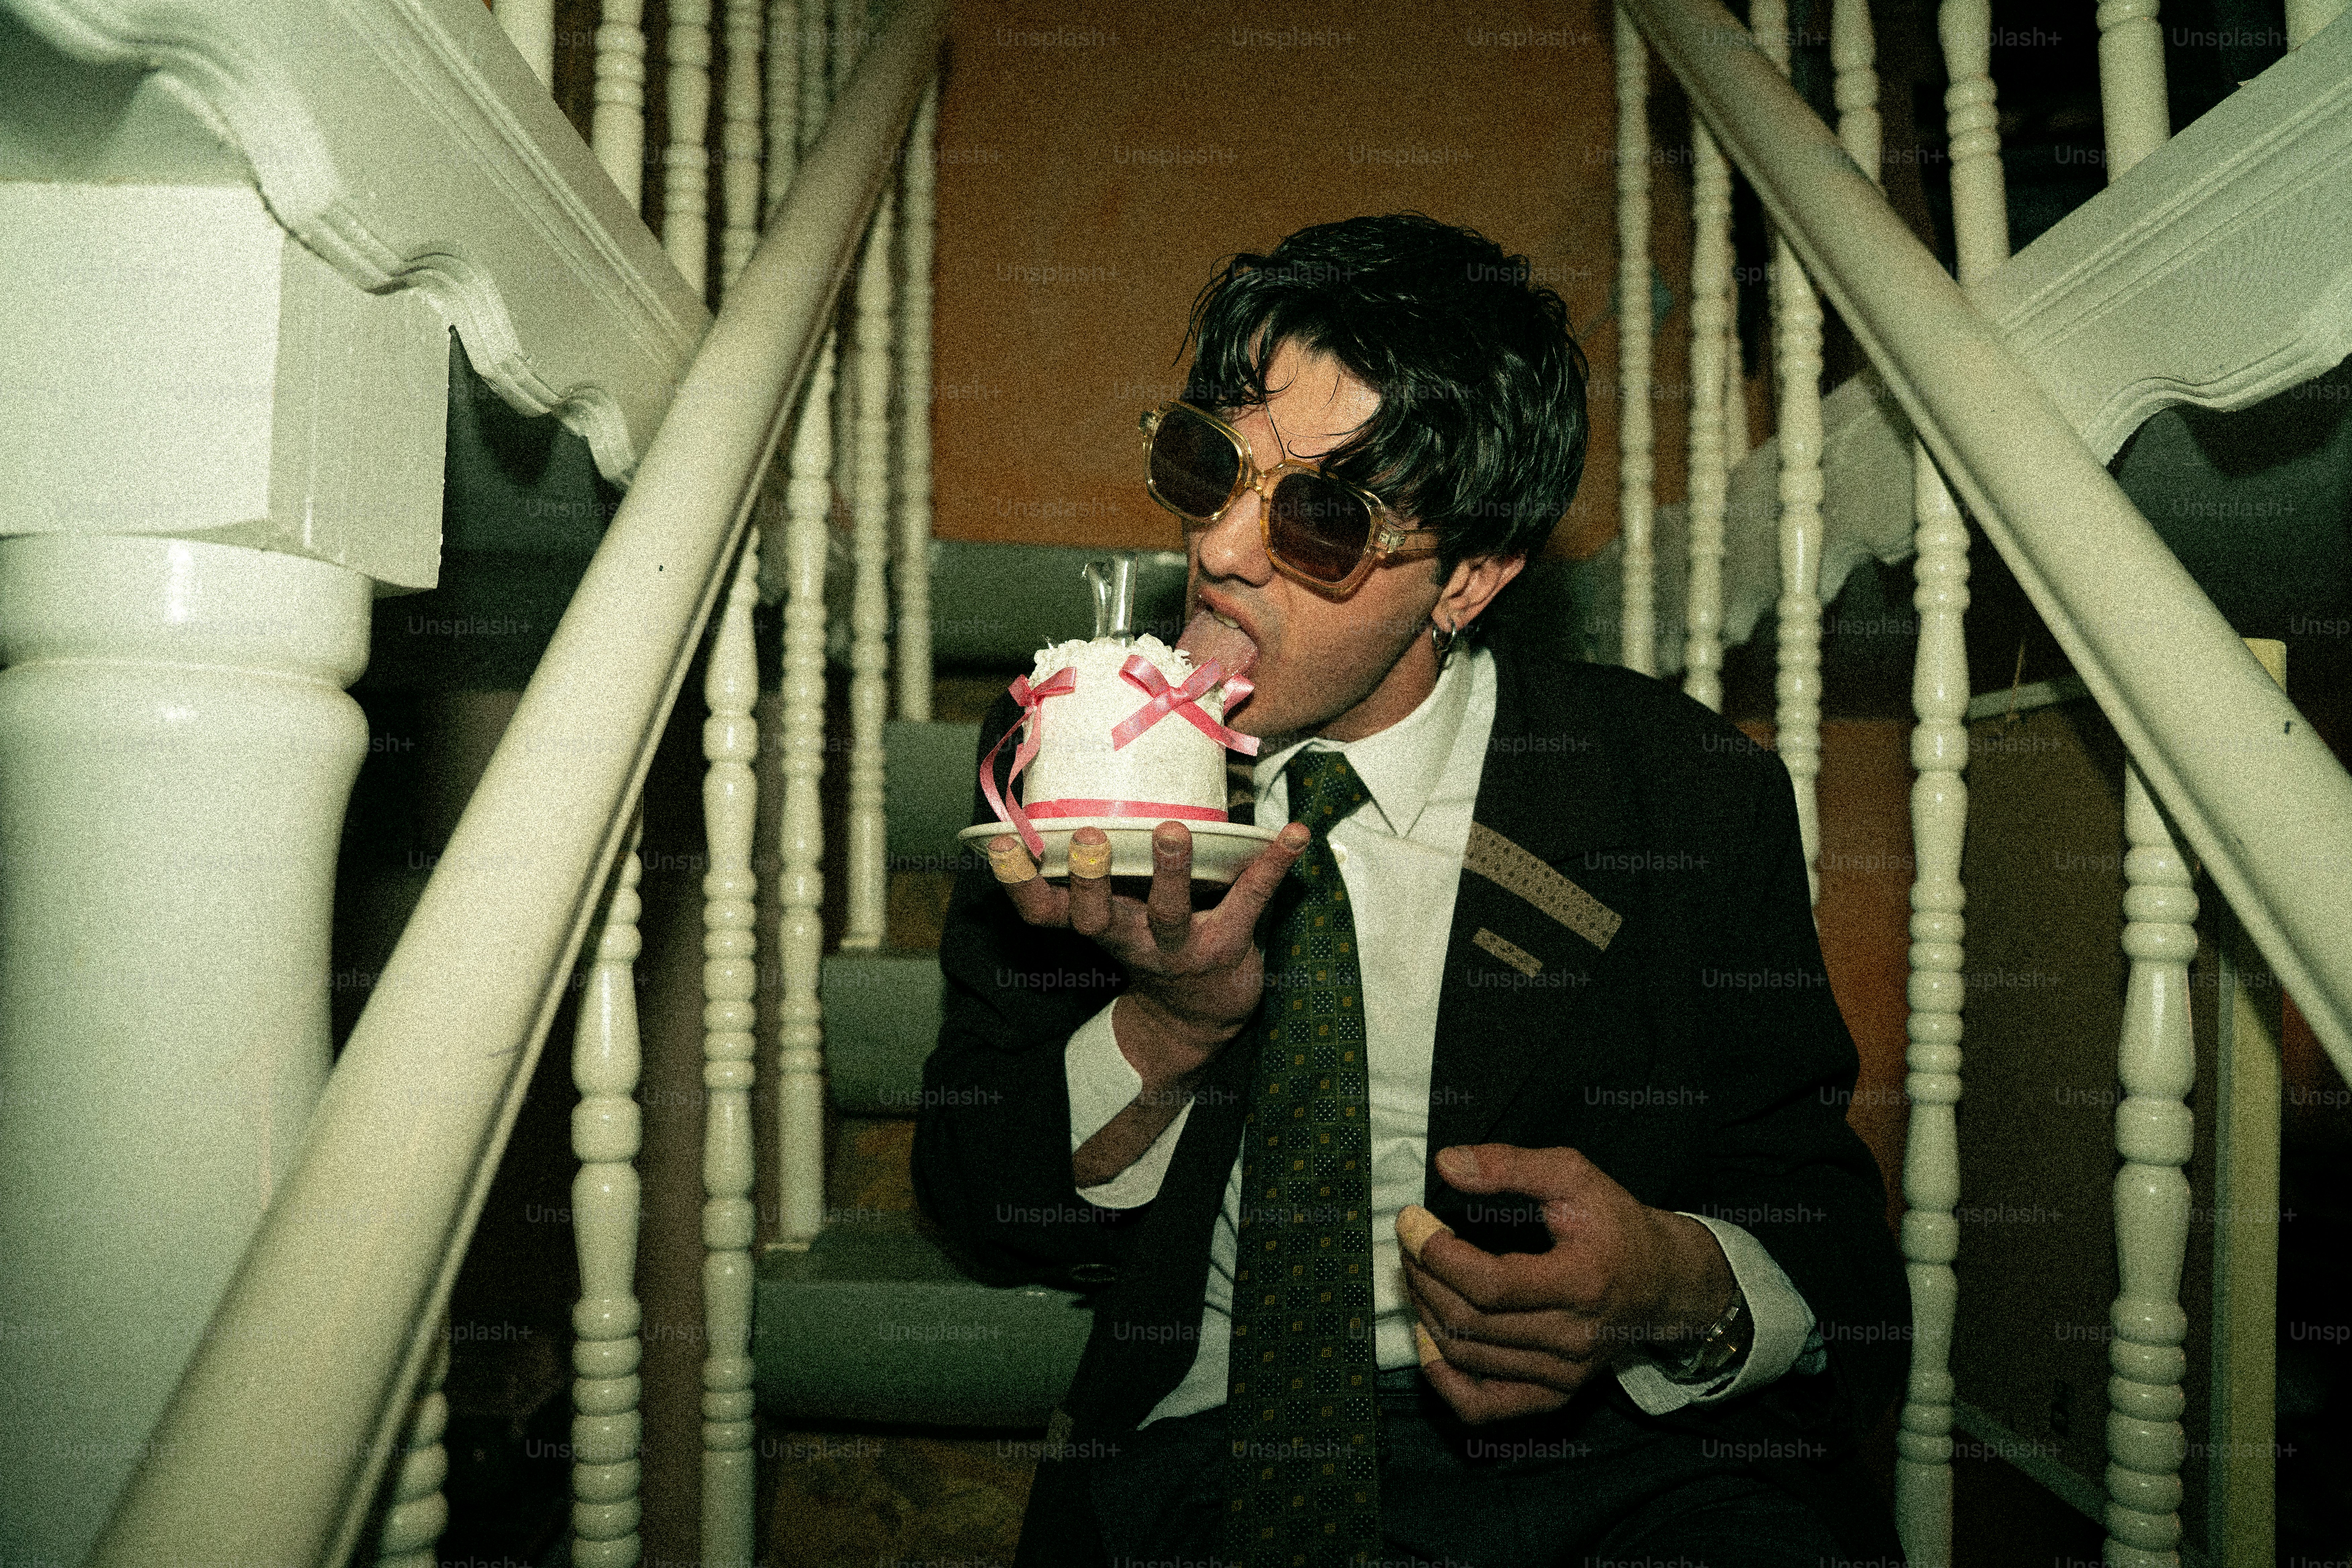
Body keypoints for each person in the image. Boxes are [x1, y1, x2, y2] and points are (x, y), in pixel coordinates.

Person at [913, 213, 1909, 1568]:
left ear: (1471, 579)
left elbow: (1833, 1246)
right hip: (1215, 1461)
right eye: (1210, 467)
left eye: (1321, 519)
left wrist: (1672, 1285)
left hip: (1623, 1473)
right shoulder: (1074, 752)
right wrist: (1169, 1026)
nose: (1223, 550)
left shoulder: (1677, 799)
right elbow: (977, 1194)